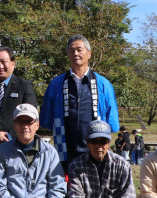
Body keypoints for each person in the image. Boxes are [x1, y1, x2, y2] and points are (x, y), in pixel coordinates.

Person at [40, 35, 120, 170]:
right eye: (71, 51)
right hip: (65, 148)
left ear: (89, 54)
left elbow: (111, 121)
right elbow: (47, 119)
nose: (75, 54)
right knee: (66, 187)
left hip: (95, 147)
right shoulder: (56, 84)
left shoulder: (103, 85)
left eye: (79, 50)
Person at [67, 120, 143, 198]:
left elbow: (128, 195)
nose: (99, 146)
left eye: (103, 141)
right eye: (94, 141)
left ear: (109, 143)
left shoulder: (122, 164)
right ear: (86, 142)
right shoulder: (76, 165)